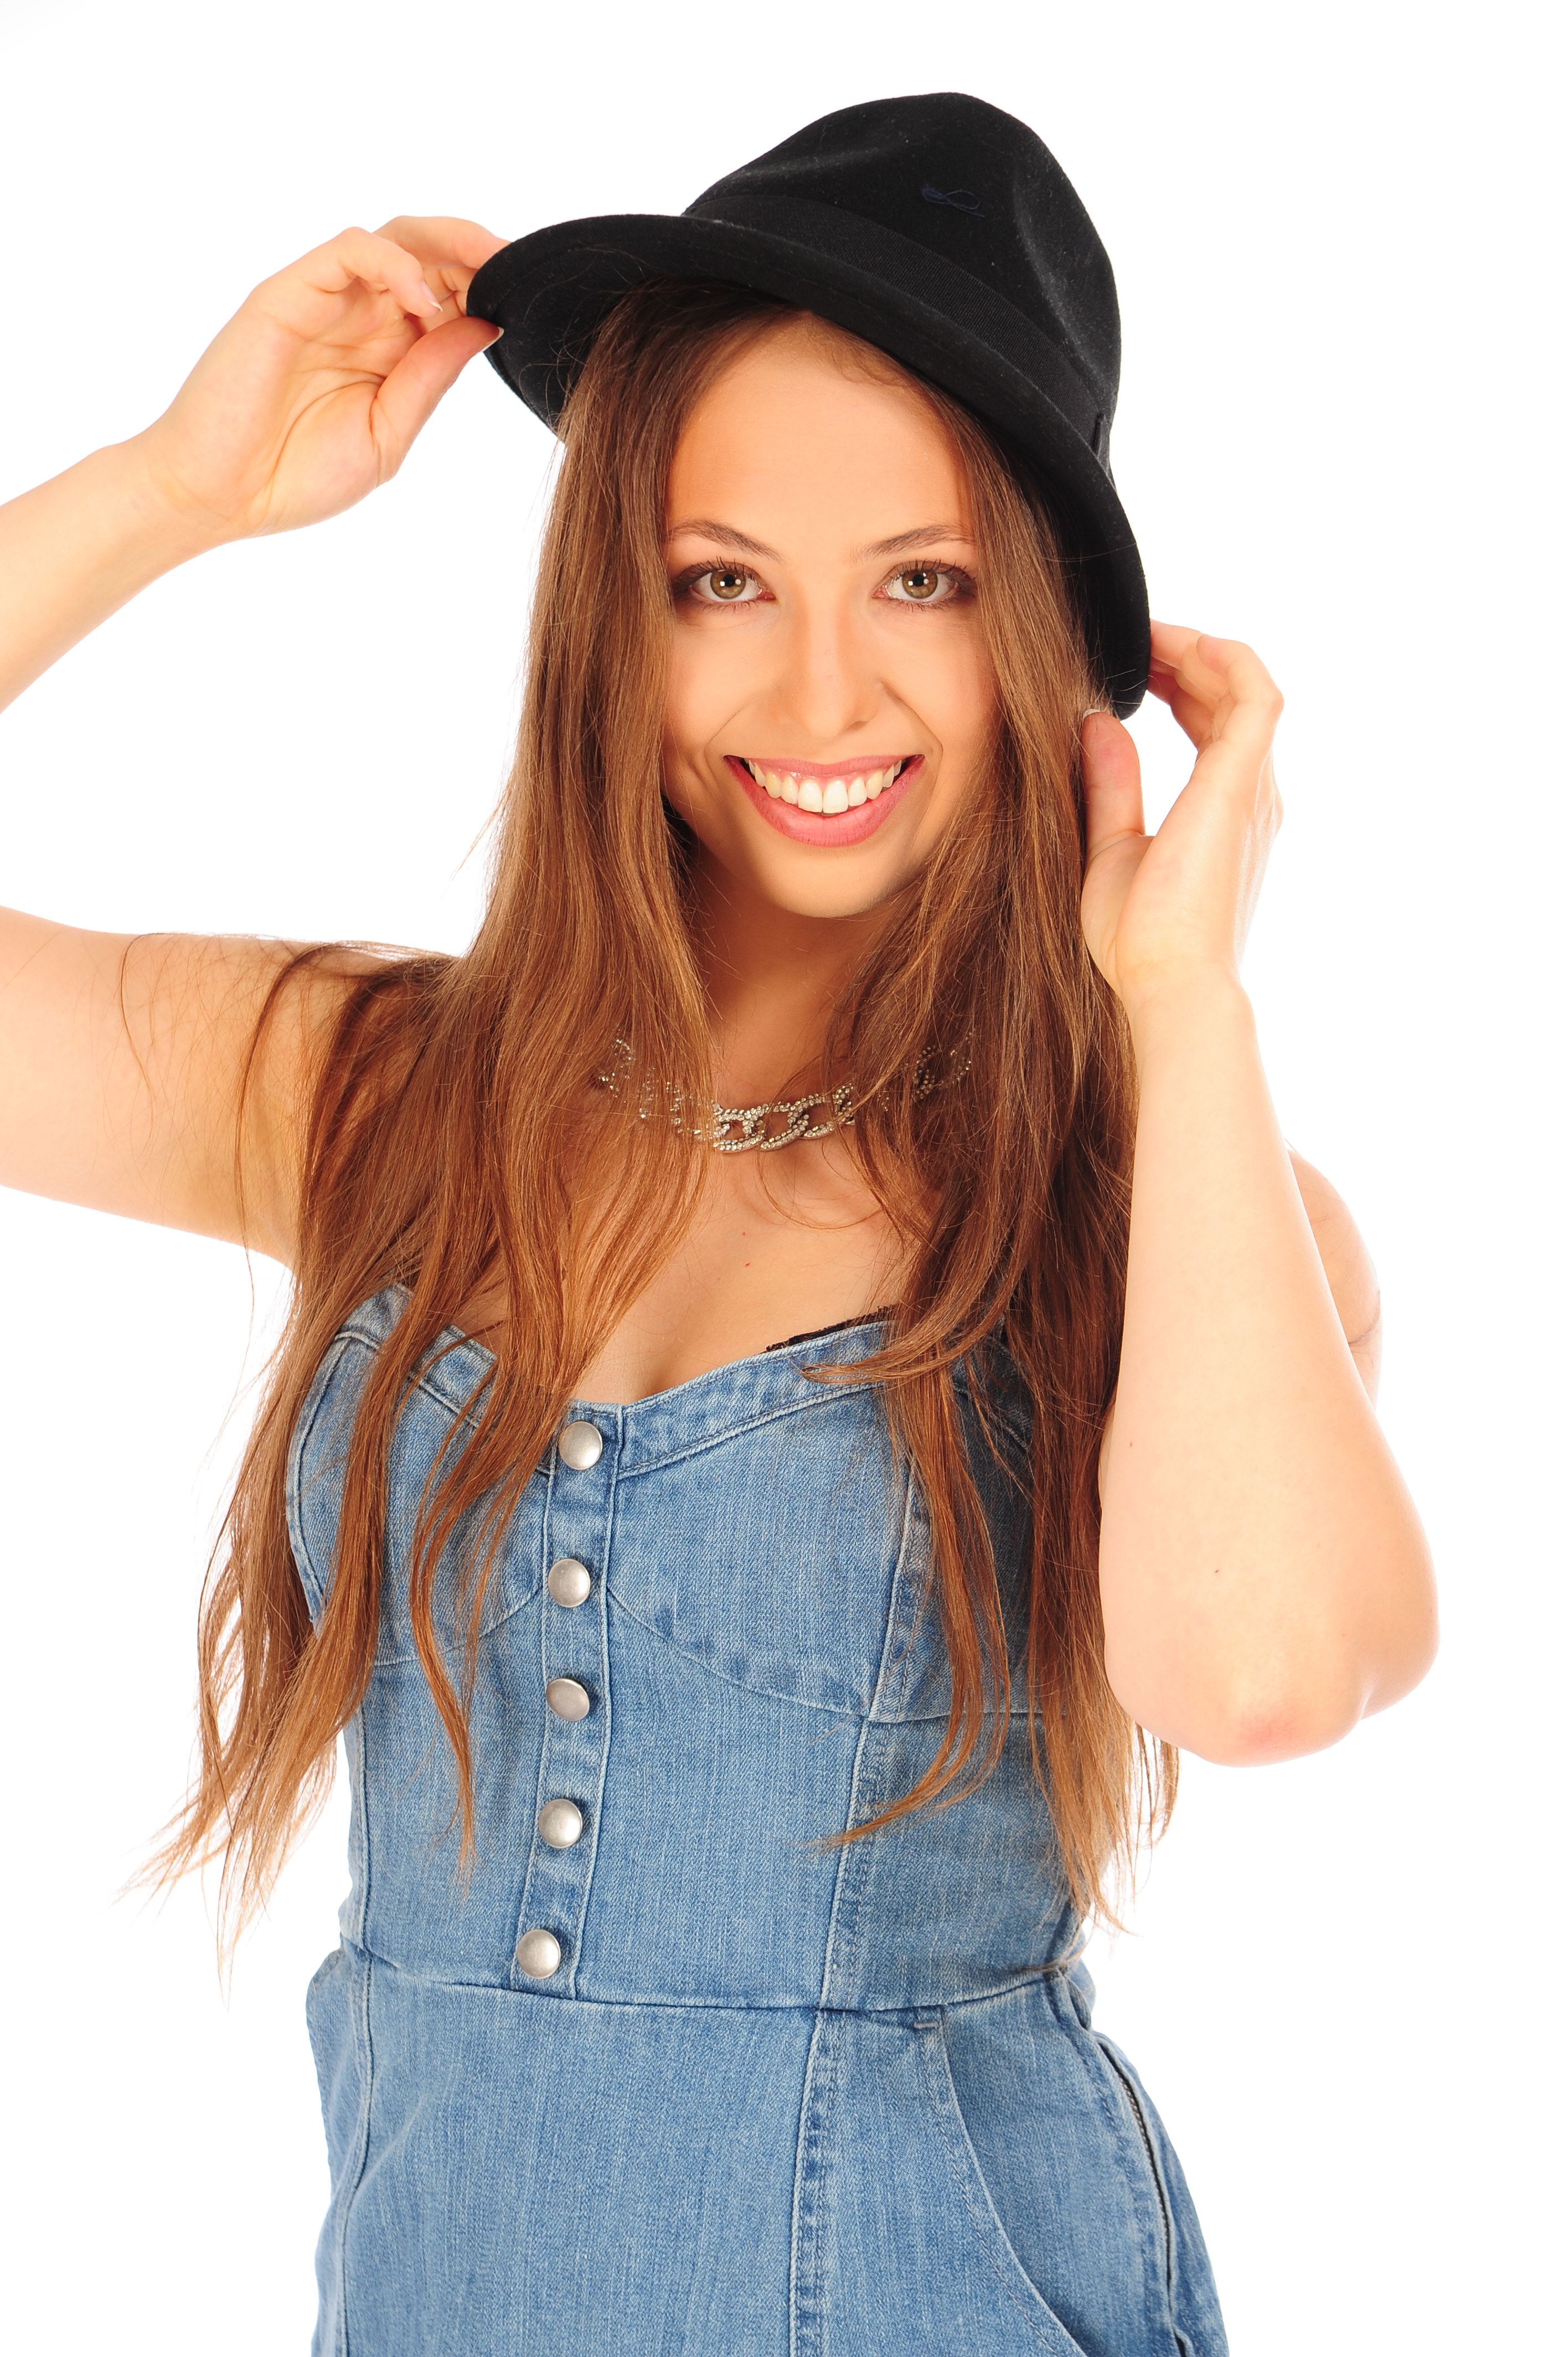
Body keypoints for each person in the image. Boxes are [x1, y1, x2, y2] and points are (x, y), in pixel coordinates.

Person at [0, 92, 1434, 2357]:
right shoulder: (386, 1097)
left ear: (1044, 636)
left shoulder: (1155, 1199)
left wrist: (1181, 996)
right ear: (618, 614)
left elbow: (1262, 1674)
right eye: (723, 581)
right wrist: (169, 492)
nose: (822, 693)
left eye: (923, 582)